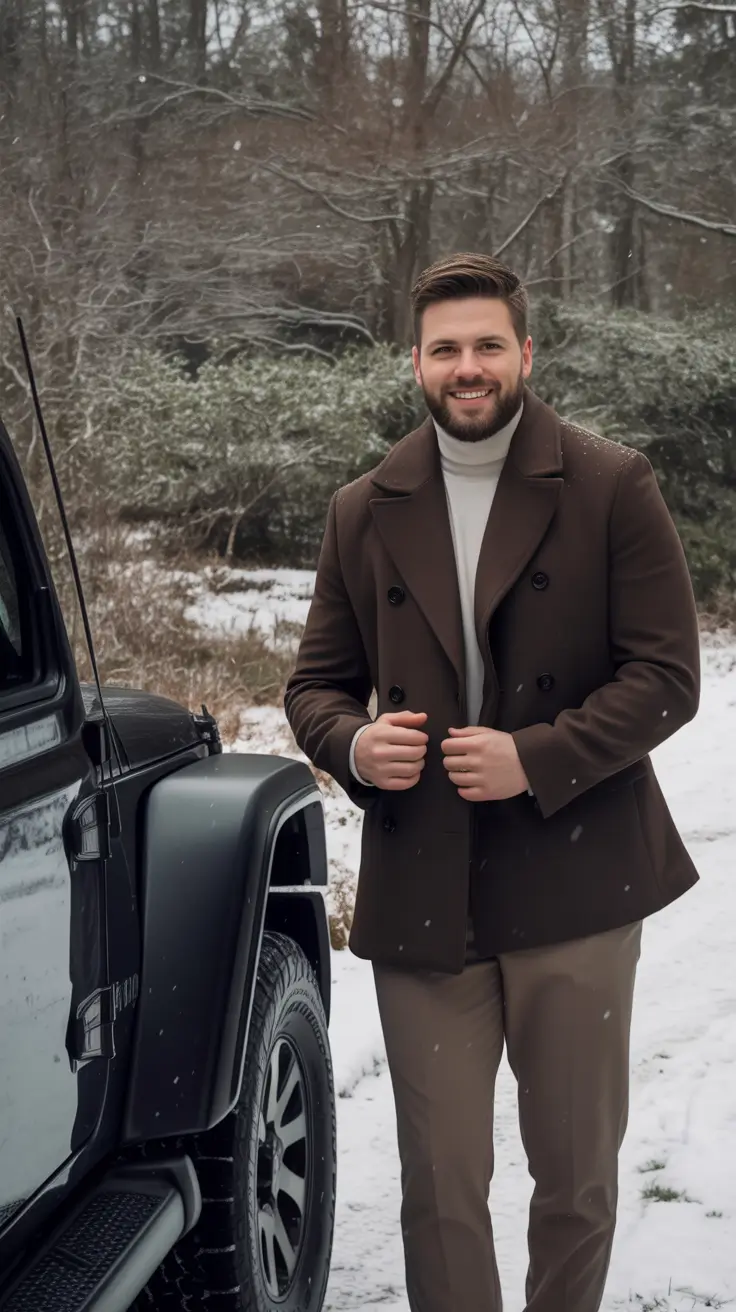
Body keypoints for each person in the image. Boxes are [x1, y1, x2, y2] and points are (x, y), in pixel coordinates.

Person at [284, 252, 700, 1312]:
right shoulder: (363, 506)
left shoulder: (611, 483)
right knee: (438, 1189)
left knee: (574, 1180)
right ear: (413, 362)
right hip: (425, 883)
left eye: (485, 346)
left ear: (525, 352)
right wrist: (351, 746)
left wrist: (536, 756)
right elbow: (315, 684)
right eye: (444, 349)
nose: (465, 367)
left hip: (577, 874)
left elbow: (667, 678)